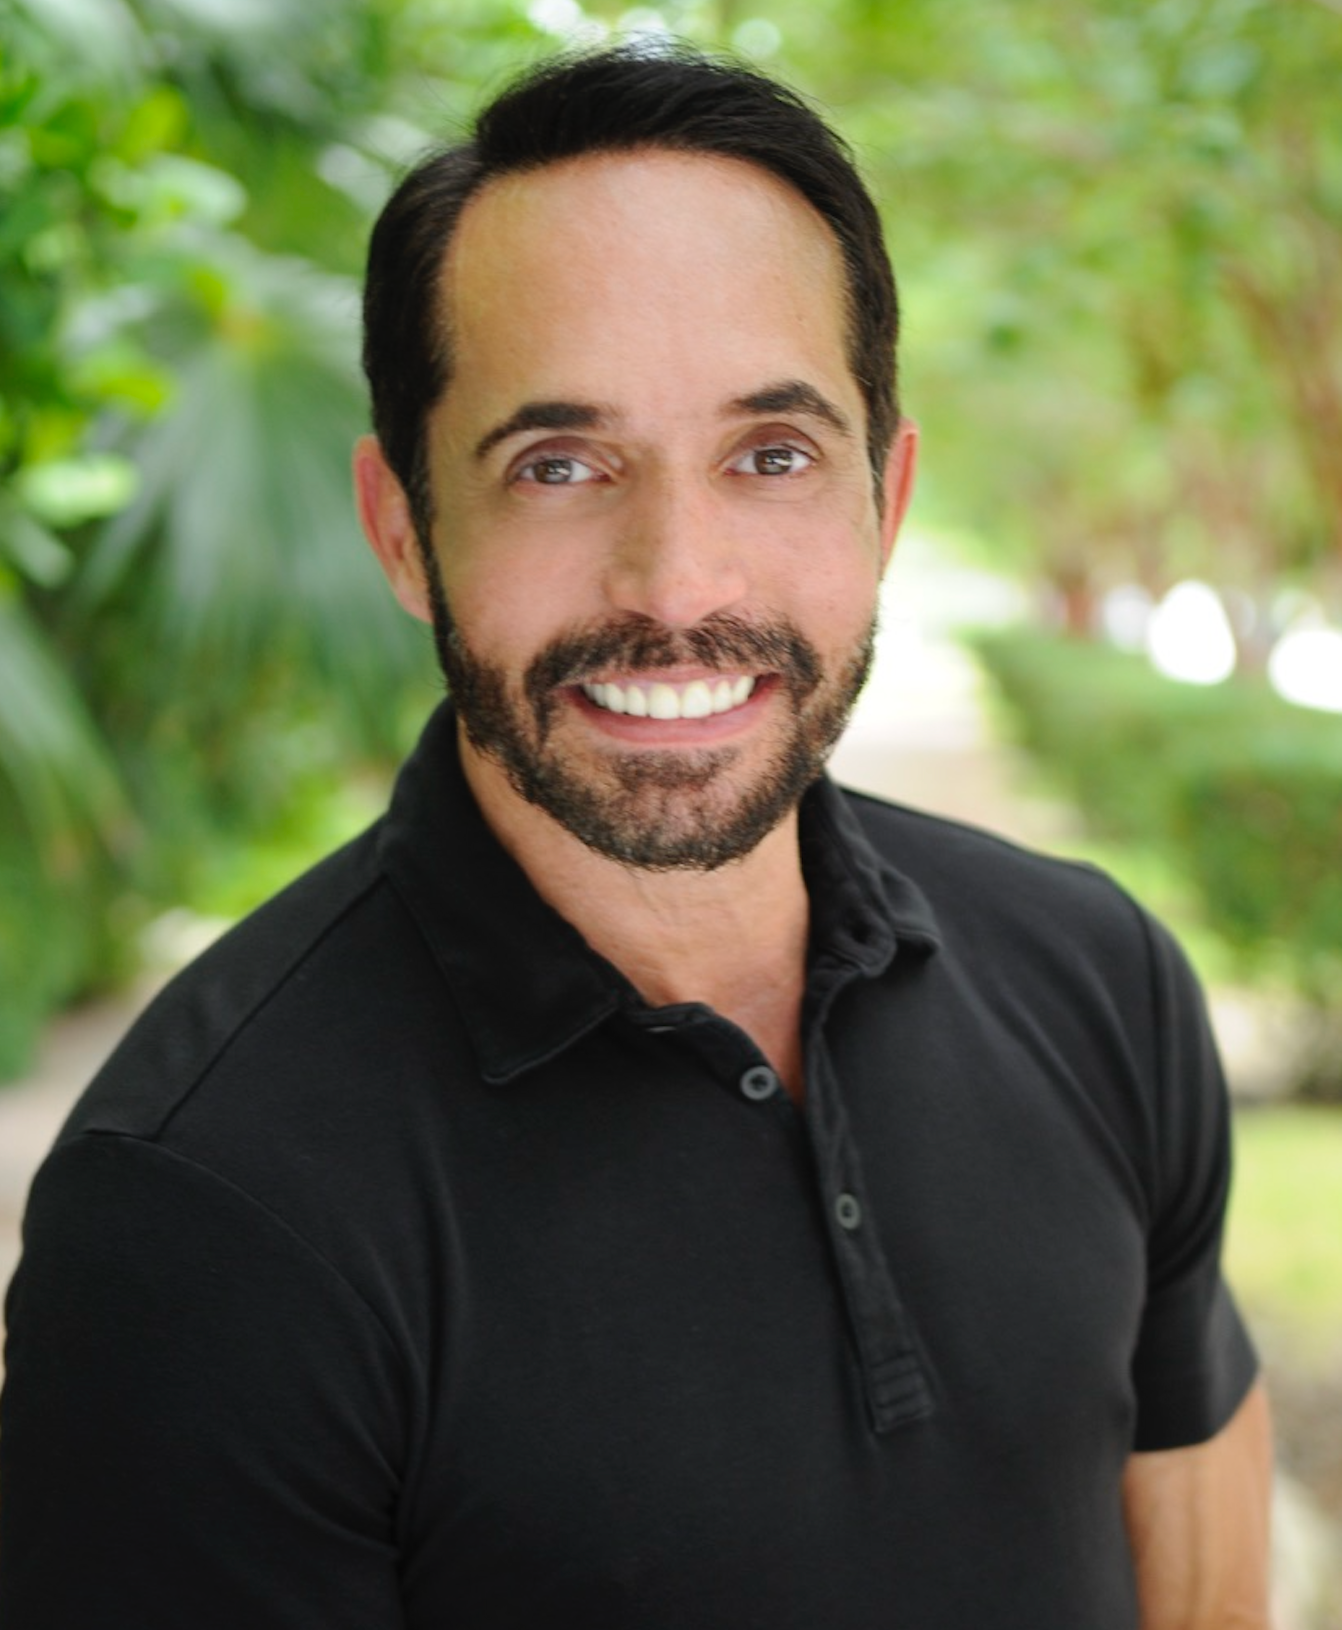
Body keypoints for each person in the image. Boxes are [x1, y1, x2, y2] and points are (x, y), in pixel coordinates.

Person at [0, 42, 1273, 1629]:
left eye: (771, 455)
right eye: (559, 464)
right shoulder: (201, 1212)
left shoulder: (1103, 980)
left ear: (883, 504)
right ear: (406, 529)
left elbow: (1203, 1563)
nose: (677, 587)